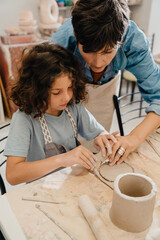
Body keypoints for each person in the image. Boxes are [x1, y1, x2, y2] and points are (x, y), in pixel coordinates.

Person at [51, 0, 160, 165]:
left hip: (104, 96)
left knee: (96, 155)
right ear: (76, 35)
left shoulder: (133, 41)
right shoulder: (60, 44)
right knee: (60, 158)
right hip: (65, 103)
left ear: (122, 39)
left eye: (108, 51)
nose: (98, 62)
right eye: (88, 51)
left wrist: (134, 138)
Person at [4, 43, 117, 185]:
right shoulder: (24, 119)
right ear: (36, 90)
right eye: (56, 92)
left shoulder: (73, 106)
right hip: (40, 189)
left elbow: (98, 132)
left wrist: (102, 137)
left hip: (69, 181)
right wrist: (62, 159)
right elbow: (13, 175)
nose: (66, 97)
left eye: (70, 87)